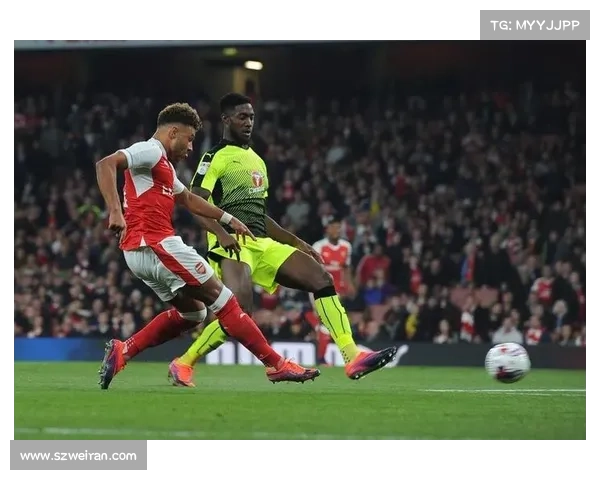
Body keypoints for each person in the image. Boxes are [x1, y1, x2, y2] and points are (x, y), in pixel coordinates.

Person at [168, 93, 397, 386]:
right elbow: (194, 203)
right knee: (240, 313)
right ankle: (184, 362)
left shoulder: (257, 161)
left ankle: (352, 356)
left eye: (251, 117)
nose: (248, 123)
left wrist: (297, 242)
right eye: (242, 117)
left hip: (261, 242)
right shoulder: (214, 158)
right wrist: (222, 234)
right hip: (231, 244)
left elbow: (260, 216)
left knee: (321, 278)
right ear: (226, 120)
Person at [95, 102, 319, 389]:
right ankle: (277, 365)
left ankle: (123, 351)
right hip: (157, 244)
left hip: (137, 253)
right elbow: (106, 164)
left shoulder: (163, 167)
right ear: (173, 132)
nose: (191, 147)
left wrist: (229, 219)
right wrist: (115, 211)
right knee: (225, 301)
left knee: (194, 313)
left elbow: (189, 199)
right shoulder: (150, 150)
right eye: (189, 139)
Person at [305, 217, 356, 365]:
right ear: (327, 229)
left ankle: (323, 356)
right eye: (333, 227)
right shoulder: (319, 246)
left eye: (338, 227)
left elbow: (346, 268)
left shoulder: (346, 246)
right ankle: (322, 356)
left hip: (338, 290)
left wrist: (350, 285)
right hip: (320, 287)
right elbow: (312, 270)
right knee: (325, 321)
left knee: (331, 322)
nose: (336, 230)